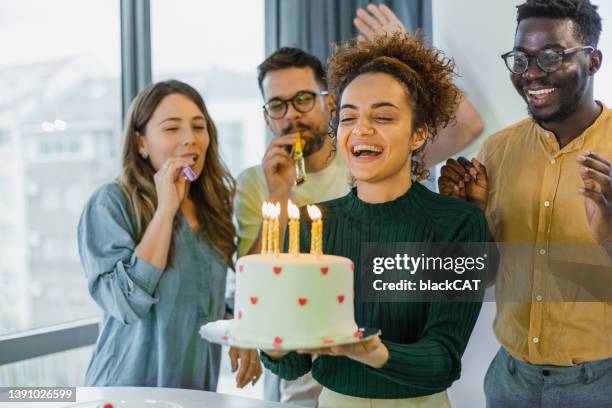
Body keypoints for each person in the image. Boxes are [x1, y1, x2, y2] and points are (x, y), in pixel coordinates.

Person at [260, 32, 488, 408]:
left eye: (382, 116)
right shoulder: (308, 226)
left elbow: (444, 359)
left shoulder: (458, 224)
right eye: (348, 117)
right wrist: (272, 340)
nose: (361, 130)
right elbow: (293, 363)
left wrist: (370, 351)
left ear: (419, 133)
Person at [438, 1, 612, 406]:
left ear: (593, 60)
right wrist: (471, 221)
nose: (531, 73)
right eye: (521, 58)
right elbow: (480, 278)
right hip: (510, 380)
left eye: (551, 56)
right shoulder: (497, 151)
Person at [78, 80, 261, 390]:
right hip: (125, 392)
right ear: (141, 144)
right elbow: (124, 304)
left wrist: (238, 331)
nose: (190, 139)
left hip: (194, 392)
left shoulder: (211, 208)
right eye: (172, 128)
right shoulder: (111, 203)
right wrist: (165, 211)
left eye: (199, 126)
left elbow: (207, 300)